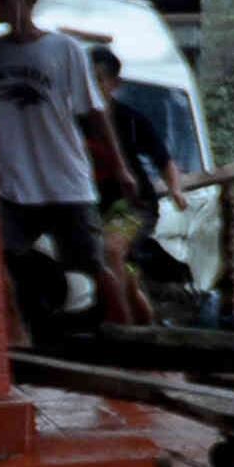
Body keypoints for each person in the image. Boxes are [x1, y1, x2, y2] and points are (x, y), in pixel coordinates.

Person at [0, 0, 138, 342]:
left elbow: (94, 112)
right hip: (12, 183)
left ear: (30, 1)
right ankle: (18, 334)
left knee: (94, 264)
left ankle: (129, 339)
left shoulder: (63, 50)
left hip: (65, 181)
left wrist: (120, 168)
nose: (0, 7)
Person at [78, 36, 180, 330]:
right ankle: (143, 321)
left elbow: (164, 160)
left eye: (99, 80)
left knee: (111, 251)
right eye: (87, 80)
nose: (92, 88)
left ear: (115, 83)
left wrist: (175, 189)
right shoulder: (73, 122)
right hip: (93, 207)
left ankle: (122, 330)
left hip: (135, 207)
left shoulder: (131, 120)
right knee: (111, 266)